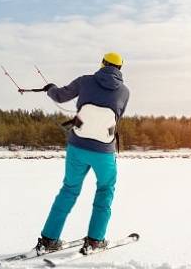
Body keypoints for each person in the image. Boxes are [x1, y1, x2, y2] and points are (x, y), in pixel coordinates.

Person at [36, 52, 130, 255]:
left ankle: (48, 239)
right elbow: (117, 116)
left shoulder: (85, 81)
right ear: (120, 68)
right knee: (105, 190)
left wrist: (50, 88)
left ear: (102, 64)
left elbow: (60, 95)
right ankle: (95, 240)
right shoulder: (125, 92)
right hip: (104, 152)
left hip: (77, 147)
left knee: (68, 190)